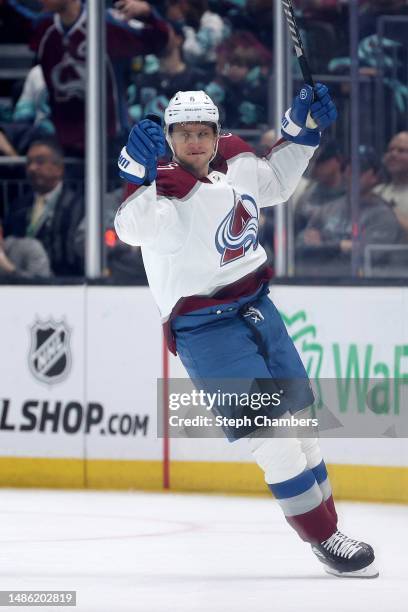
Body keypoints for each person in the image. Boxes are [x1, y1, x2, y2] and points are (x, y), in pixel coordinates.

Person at [114, 87, 378, 578]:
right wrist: (133, 171)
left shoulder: (236, 159)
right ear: (169, 137)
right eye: (183, 133)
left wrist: (302, 131)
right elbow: (133, 228)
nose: (194, 141)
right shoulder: (162, 184)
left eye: (203, 132)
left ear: (217, 134)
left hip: (257, 306)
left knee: (301, 427)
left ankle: (330, 533)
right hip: (204, 326)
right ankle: (324, 538)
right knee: (272, 435)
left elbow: (275, 181)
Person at [7, 0, 170, 156]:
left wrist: (148, 13)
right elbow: (15, 18)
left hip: (110, 141)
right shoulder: (44, 27)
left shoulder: (105, 26)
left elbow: (159, 41)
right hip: (65, 142)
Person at [296, 146, 408, 276]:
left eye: (361, 169)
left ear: (375, 177)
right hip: (318, 282)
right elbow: (300, 245)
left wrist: (323, 246)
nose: (351, 172)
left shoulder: (384, 216)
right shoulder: (328, 208)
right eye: (348, 167)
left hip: (364, 286)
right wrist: (341, 246)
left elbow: (367, 255)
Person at [3, 137, 84, 276]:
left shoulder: (77, 206)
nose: (32, 168)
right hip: (22, 281)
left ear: (59, 168)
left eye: (39, 162)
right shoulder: (18, 205)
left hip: (65, 282)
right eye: (29, 163)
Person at [294, 140, 346, 234]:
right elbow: (296, 229)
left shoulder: (351, 192)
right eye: (312, 161)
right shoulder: (308, 195)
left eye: (320, 161)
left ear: (336, 161)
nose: (314, 167)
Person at [374, 131, 408, 237]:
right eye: (390, 150)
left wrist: (388, 211)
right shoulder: (376, 192)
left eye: (401, 150)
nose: (393, 154)